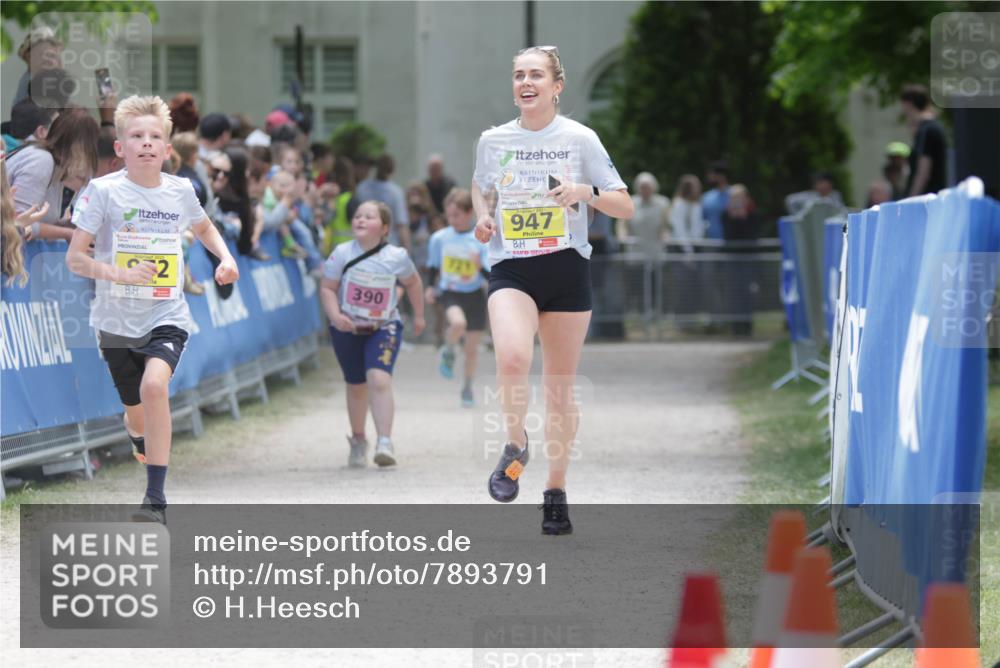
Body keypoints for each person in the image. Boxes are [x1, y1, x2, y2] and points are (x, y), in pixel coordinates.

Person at [472, 45, 632, 534]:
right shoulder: (493, 140)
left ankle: (555, 492)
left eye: (536, 75)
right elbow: (481, 186)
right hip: (513, 268)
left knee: (560, 392)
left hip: (565, 269)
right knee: (513, 359)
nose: (526, 82)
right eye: (519, 74)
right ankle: (516, 445)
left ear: (556, 86)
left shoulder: (581, 139)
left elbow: (623, 206)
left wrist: (585, 193)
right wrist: (483, 215)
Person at [65, 95, 239, 524]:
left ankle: (155, 501)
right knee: (136, 414)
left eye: (155, 136)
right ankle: (138, 435)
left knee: (154, 388)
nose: (146, 143)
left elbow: (203, 227)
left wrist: (226, 258)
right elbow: (75, 258)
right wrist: (119, 275)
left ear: (167, 148)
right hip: (115, 319)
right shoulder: (103, 191)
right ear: (120, 148)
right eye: (136, 136)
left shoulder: (181, 190)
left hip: (166, 314)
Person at [319, 200, 425, 468]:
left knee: (378, 379)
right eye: (357, 216)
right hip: (347, 327)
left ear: (385, 227)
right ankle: (358, 440)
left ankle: (385, 442)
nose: (361, 220)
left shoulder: (396, 256)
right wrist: (335, 316)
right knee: (356, 385)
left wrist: (420, 314)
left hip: (384, 327)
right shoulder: (341, 253)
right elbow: (328, 288)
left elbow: (413, 282)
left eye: (369, 217)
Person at [425, 188, 490, 407]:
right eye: (449, 215)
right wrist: (430, 288)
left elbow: (489, 274)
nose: (452, 220)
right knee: (457, 323)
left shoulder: (480, 238)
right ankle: (449, 350)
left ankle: (468, 387)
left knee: (472, 349)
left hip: (474, 295)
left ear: (470, 212)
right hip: (450, 291)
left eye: (457, 215)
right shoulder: (439, 238)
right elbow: (433, 268)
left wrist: (479, 265)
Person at [7, 107, 100, 241]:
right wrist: (66, 233)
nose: (89, 164)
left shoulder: (57, 169)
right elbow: (19, 225)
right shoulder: (41, 161)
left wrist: (70, 226)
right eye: (89, 151)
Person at [900, 84, 948, 196]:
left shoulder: (926, 130)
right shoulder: (933, 127)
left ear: (909, 104)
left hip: (926, 200)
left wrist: (911, 200)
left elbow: (923, 172)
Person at [356, 154, 410, 249]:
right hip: (389, 244)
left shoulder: (362, 188)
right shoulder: (396, 192)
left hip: (365, 243)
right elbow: (401, 225)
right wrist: (407, 251)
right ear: (392, 170)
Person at [624, 171, 669, 255]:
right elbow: (623, 225)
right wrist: (624, 239)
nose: (645, 190)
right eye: (642, 187)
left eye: (647, 187)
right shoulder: (630, 203)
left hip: (656, 248)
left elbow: (666, 225)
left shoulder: (663, 203)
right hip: (635, 249)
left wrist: (665, 235)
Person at [669, 174, 705, 254]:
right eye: (695, 187)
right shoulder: (679, 204)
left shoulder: (696, 205)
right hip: (681, 248)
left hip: (695, 246)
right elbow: (679, 229)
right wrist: (687, 250)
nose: (698, 189)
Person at [701, 161, 730, 240]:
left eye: (711, 174)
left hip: (730, 241)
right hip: (711, 242)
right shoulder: (706, 197)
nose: (709, 176)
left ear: (721, 176)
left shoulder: (734, 195)